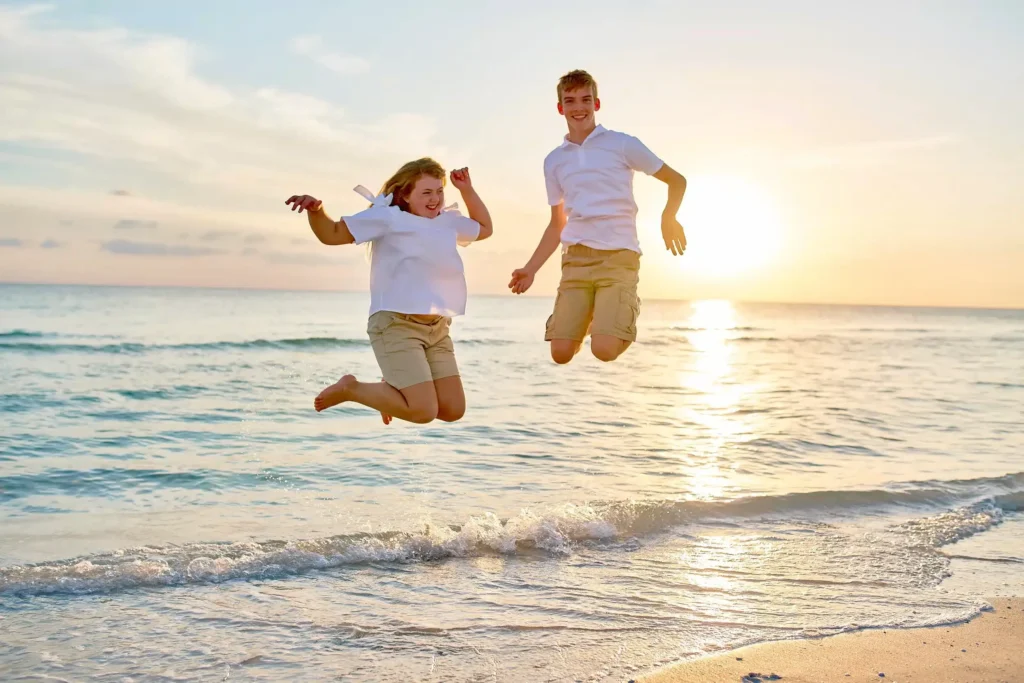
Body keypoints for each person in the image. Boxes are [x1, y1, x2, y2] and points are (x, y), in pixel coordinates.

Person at [285, 158, 492, 424]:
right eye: (426, 193)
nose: (435, 199)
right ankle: (352, 388)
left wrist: (467, 190)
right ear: (405, 195)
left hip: (437, 329)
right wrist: (317, 210)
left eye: (439, 191)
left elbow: (485, 229)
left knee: (453, 410)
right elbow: (333, 234)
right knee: (423, 411)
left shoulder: (447, 221)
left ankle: (390, 392)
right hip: (396, 325)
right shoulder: (388, 217)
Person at [509, 69, 688, 364]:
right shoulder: (554, 161)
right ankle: (595, 313)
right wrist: (531, 269)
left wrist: (668, 217)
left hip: (618, 257)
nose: (578, 107)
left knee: (604, 350)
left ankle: (620, 307)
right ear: (560, 108)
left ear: (597, 104)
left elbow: (677, 180)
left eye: (585, 99)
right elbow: (557, 224)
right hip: (575, 261)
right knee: (561, 353)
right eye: (570, 101)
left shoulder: (622, 144)